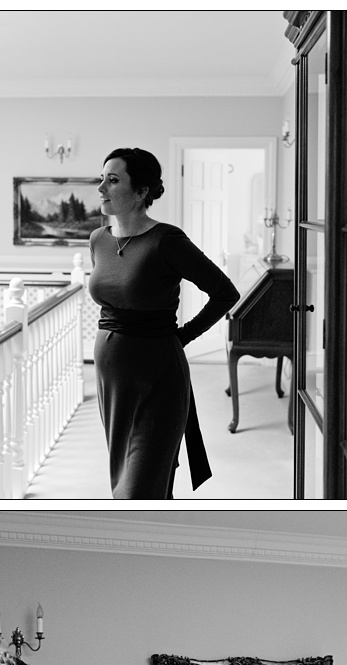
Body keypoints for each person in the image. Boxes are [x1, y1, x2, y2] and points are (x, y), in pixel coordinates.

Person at [88, 148, 241, 498]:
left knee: (137, 492)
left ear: (141, 191)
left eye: (112, 180)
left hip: (157, 380)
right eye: (102, 178)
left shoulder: (166, 241)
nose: (101, 188)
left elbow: (224, 293)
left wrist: (183, 336)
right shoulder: (99, 240)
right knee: (133, 485)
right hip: (112, 386)